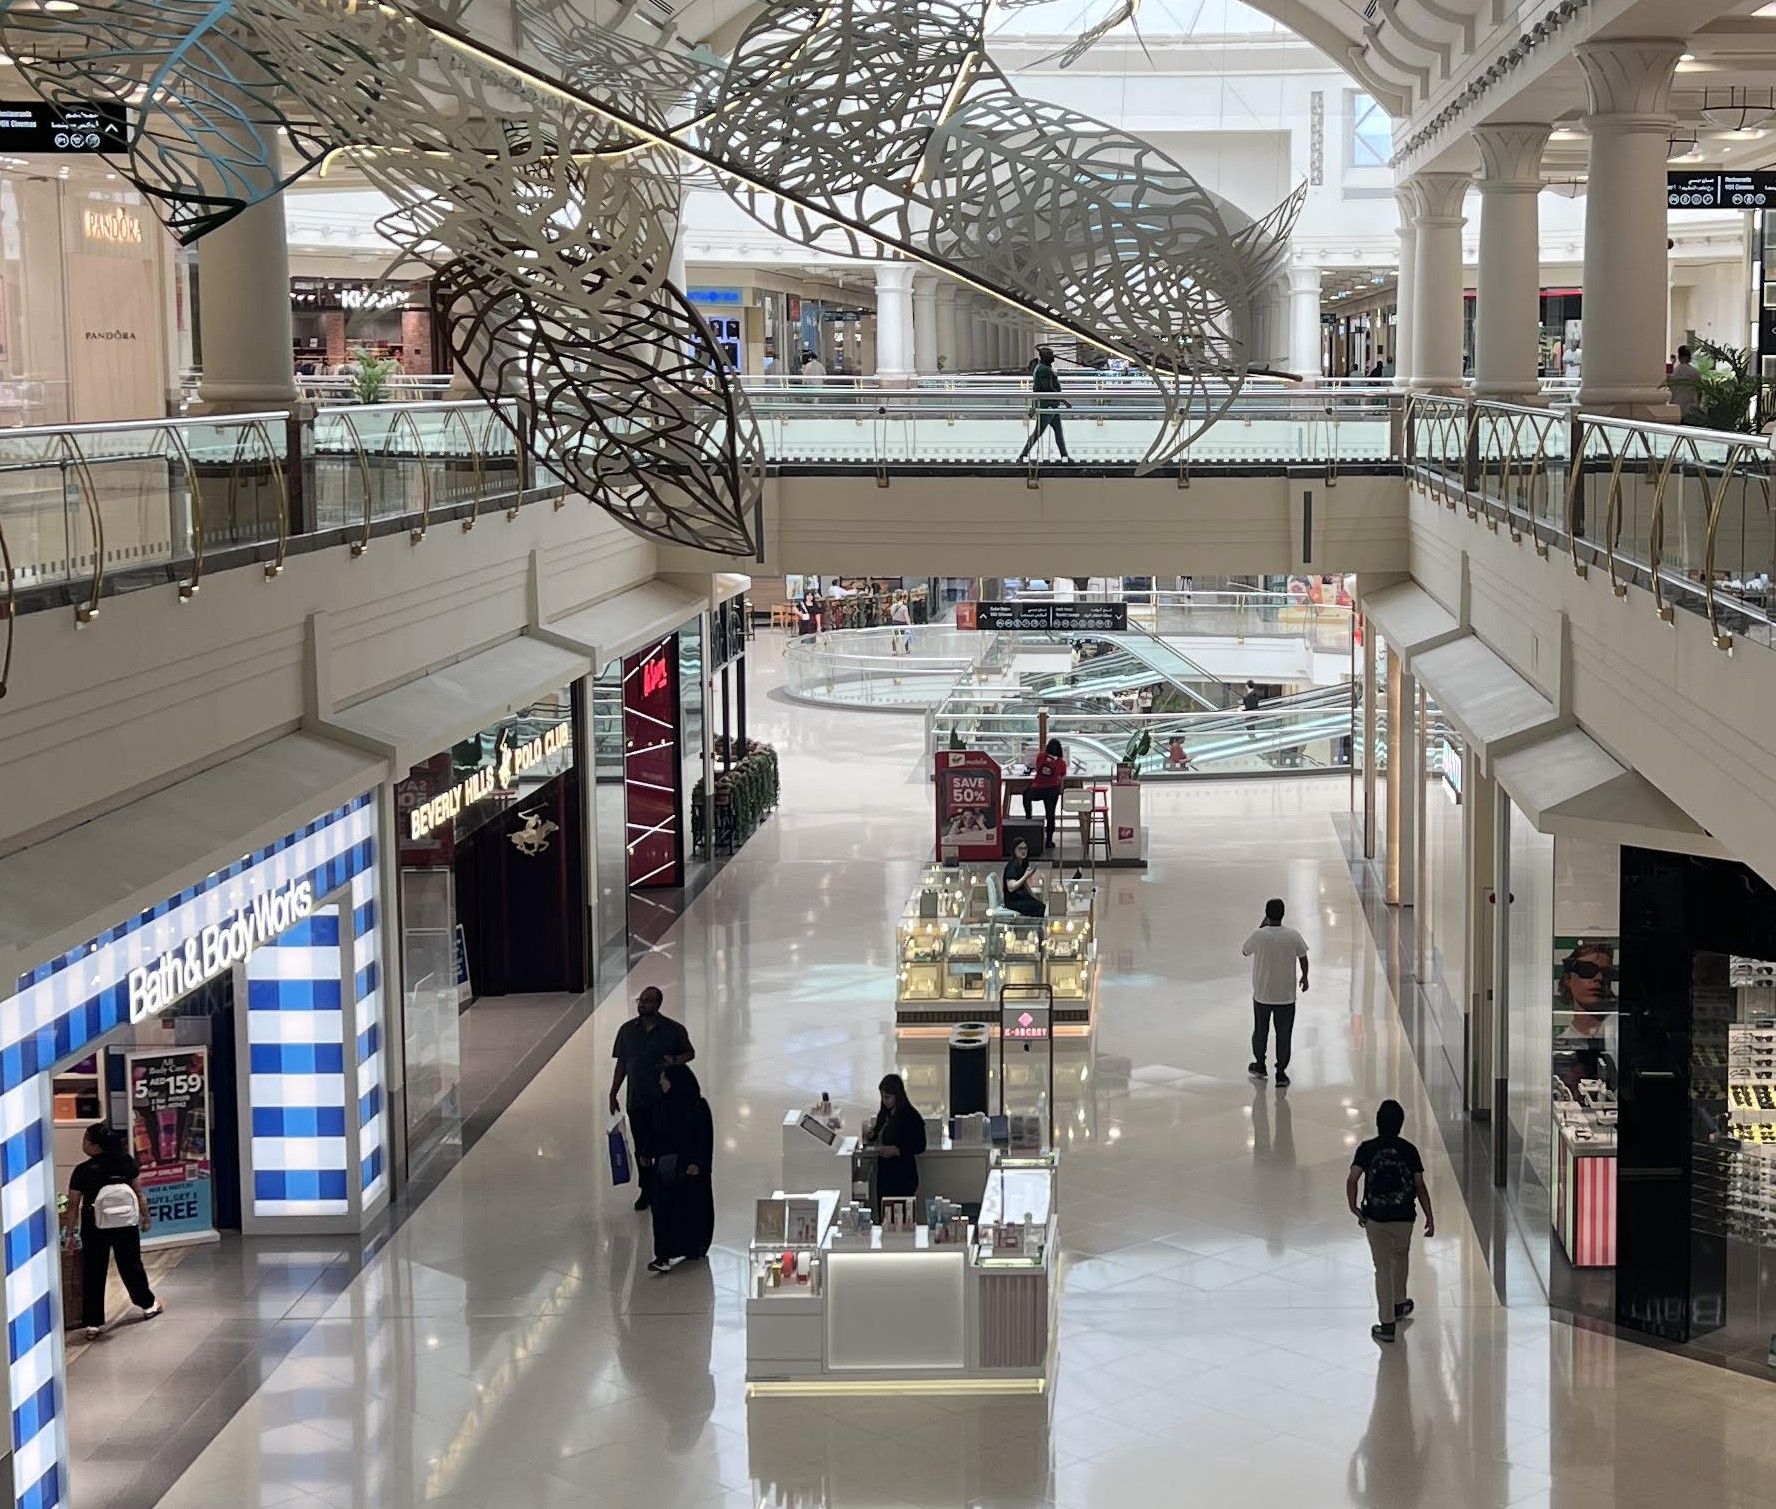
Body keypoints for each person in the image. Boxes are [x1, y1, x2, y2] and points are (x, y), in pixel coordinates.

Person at [1346, 1099, 1434, 1343]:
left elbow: (1352, 1179)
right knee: (1401, 1256)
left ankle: (1387, 1325)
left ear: (1377, 1122)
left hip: (1376, 1218)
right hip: (1405, 1217)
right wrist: (1429, 1216)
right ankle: (1398, 1303)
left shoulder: (1366, 1149)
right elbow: (1419, 1186)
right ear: (1401, 1124)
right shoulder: (1409, 1150)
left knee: (1382, 1268)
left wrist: (1354, 1207)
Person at [64, 1124, 161, 1340]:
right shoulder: (126, 1162)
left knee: (93, 1271)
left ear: (95, 1146)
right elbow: (138, 1193)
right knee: (131, 1265)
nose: (83, 1144)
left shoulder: (82, 1170)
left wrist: (70, 1234)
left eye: (85, 1140)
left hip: (94, 1225)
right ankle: (148, 1304)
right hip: (125, 1224)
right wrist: (146, 1217)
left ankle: (93, 1323)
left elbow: (72, 1205)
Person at [609, 986, 696, 1212]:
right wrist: (613, 1092)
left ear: (658, 1004)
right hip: (637, 1100)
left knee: (664, 1144)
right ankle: (646, 1188)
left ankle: (665, 1186)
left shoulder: (673, 1030)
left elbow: (690, 1053)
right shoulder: (627, 1031)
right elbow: (621, 1064)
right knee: (642, 1148)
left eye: (647, 1001)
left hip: (664, 1101)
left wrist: (674, 1060)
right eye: (640, 1000)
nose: (642, 1004)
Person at [647, 1064, 715, 1273]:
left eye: (664, 1079)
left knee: (689, 1208)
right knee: (664, 1211)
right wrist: (645, 1153)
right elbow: (654, 1133)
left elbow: (704, 1138)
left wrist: (698, 1164)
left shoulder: (697, 1106)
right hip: (666, 1168)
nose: (661, 1082)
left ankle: (693, 1246)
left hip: (688, 1169)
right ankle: (664, 1254)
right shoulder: (661, 1104)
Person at [1243, 898, 1309, 1085]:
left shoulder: (1259, 935)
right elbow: (1303, 956)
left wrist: (1261, 927)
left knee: (1260, 1031)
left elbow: (1245, 951)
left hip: (1263, 994)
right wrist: (1305, 976)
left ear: (1266, 914)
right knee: (1284, 1034)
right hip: (1286, 996)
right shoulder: (1293, 935)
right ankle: (1281, 1072)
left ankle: (1260, 1064)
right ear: (1283, 914)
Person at [867, 1073, 927, 1209]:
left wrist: (897, 1150)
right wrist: (873, 1135)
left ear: (897, 1096)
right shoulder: (885, 1112)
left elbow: (920, 1145)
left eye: (888, 1097)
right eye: (882, 1097)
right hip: (886, 1174)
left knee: (901, 1217)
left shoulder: (910, 1117)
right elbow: (878, 1130)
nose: (884, 1101)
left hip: (902, 1176)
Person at [1016, 345, 1073, 463]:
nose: (1053, 357)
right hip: (1047, 406)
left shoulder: (1042, 368)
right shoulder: (1044, 370)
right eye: (1051, 355)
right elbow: (1049, 389)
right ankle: (1022, 456)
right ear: (1045, 357)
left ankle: (1065, 456)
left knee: (1058, 433)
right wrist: (1064, 400)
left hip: (1051, 405)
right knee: (1038, 433)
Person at [1021, 738, 1067, 851]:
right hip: (1052, 790)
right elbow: (1062, 775)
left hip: (1037, 789)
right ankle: (1049, 840)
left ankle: (1028, 818)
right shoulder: (1061, 762)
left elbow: (1037, 767)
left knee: (1026, 794)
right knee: (1050, 814)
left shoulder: (1040, 756)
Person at [1002, 837, 1046, 917]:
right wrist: (1026, 876)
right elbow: (1011, 887)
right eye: (1020, 848)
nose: (1023, 851)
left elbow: (1025, 885)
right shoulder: (1011, 866)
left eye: (1025, 848)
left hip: (1021, 898)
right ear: (1014, 850)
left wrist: (1034, 897)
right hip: (1013, 901)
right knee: (1039, 908)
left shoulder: (1022, 865)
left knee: (1041, 905)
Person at [1668, 345, 1703, 423]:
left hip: (1675, 408)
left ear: (1679, 357)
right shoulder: (1695, 373)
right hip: (1690, 410)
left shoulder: (1673, 373)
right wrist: (1698, 405)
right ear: (1689, 357)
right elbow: (1699, 391)